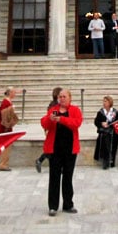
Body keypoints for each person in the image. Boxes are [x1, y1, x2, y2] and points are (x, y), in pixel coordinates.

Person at [41, 88, 82, 216]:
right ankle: (53, 206)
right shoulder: (53, 109)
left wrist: (61, 120)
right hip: (55, 150)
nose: (62, 98)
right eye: (60, 96)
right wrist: (50, 119)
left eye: (64, 96)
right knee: (54, 177)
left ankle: (68, 204)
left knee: (68, 177)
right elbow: (44, 123)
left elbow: (77, 123)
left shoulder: (75, 110)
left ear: (70, 98)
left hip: (70, 150)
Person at [35, 87, 62, 173]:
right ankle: (40, 160)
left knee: (54, 148)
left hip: (55, 129)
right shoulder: (54, 105)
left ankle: (40, 160)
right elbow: (49, 118)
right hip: (53, 129)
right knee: (53, 148)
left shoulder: (54, 104)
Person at [0, 87, 19, 171]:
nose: (15, 94)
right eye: (14, 92)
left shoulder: (7, 101)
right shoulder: (6, 102)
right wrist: (11, 109)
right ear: (10, 93)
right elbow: (4, 114)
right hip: (4, 126)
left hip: (4, 126)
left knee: (1, 144)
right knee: (6, 145)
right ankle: (3, 164)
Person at [93, 95, 118, 169]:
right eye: (103, 101)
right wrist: (101, 123)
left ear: (110, 102)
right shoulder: (100, 112)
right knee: (105, 140)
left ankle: (111, 160)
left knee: (112, 142)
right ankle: (106, 161)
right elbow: (96, 122)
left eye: (105, 101)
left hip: (112, 132)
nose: (104, 103)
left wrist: (117, 131)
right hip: (103, 132)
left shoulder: (115, 112)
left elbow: (117, 122)